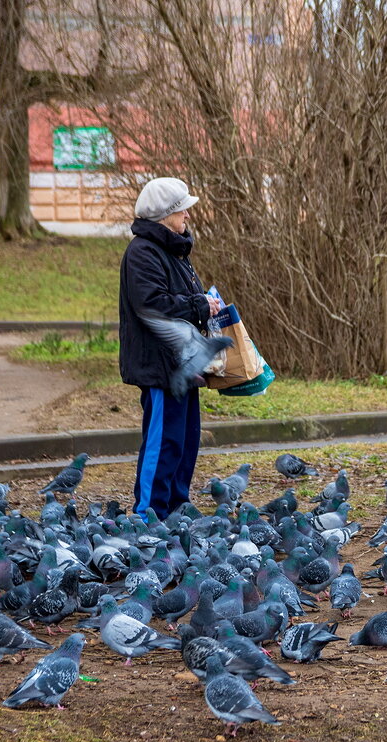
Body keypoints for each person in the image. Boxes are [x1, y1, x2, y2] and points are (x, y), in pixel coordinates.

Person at [119, 177, 222, 521]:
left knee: (186, 440)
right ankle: (149, 512)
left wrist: (205, 306)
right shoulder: (143, 252)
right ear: (165, 215)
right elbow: (152, 304)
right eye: (182, 209)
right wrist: (198, 306)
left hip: (182, 365)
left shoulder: (173, 250)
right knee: (163, 442)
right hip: (160, 367)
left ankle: (177, 509)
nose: (188, 215)